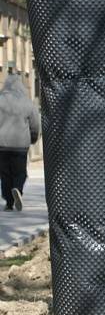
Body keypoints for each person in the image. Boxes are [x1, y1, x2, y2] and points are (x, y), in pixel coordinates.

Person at [0, 74, 40, 212]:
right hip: (20, 145)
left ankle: (9, 202)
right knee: (20, 172)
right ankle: (17, 188)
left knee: (5, 174)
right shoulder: (27, 102)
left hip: (2, 145)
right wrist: (33, 138)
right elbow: (35, 124)